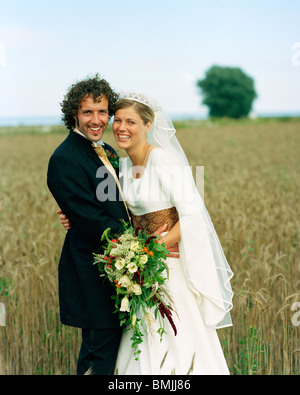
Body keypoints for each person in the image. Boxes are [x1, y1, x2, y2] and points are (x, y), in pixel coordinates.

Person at [60, 91, 234, 375]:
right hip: (141, 269)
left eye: (131, 122)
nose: (121, 128)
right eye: (117, 120)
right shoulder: (122, 165)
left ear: (148, 125)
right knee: (143, 339)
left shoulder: (163, 161)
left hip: (168, 266)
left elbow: (193, 216)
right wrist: (73, 217)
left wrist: (154, 248)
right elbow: (107, 210)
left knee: (176, 340)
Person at [47, 75, 174, 375]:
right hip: (93, 276)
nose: (96, 120)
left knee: (117, 358)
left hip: (120, 271)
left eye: (102, 112)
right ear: (73, 115)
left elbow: (117, 204)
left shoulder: (109, 152)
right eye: (87, 112)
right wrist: (140, 243)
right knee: (98, 359)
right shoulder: (64, 158)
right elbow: (92, 221)